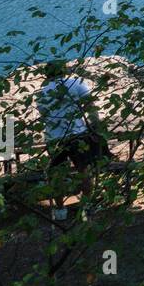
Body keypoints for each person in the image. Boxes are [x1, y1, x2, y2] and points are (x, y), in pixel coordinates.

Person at [37, 62, 109, 199]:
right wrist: (95, 127)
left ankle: (59, 210)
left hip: (54, 138)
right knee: (84, 171)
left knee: (57, 174)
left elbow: (44, 115)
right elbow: (91, 107)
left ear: (47, 74)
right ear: (64, 71)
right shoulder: (76, 83)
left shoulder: (42, 93)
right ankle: (86, 203)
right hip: (78, 134)